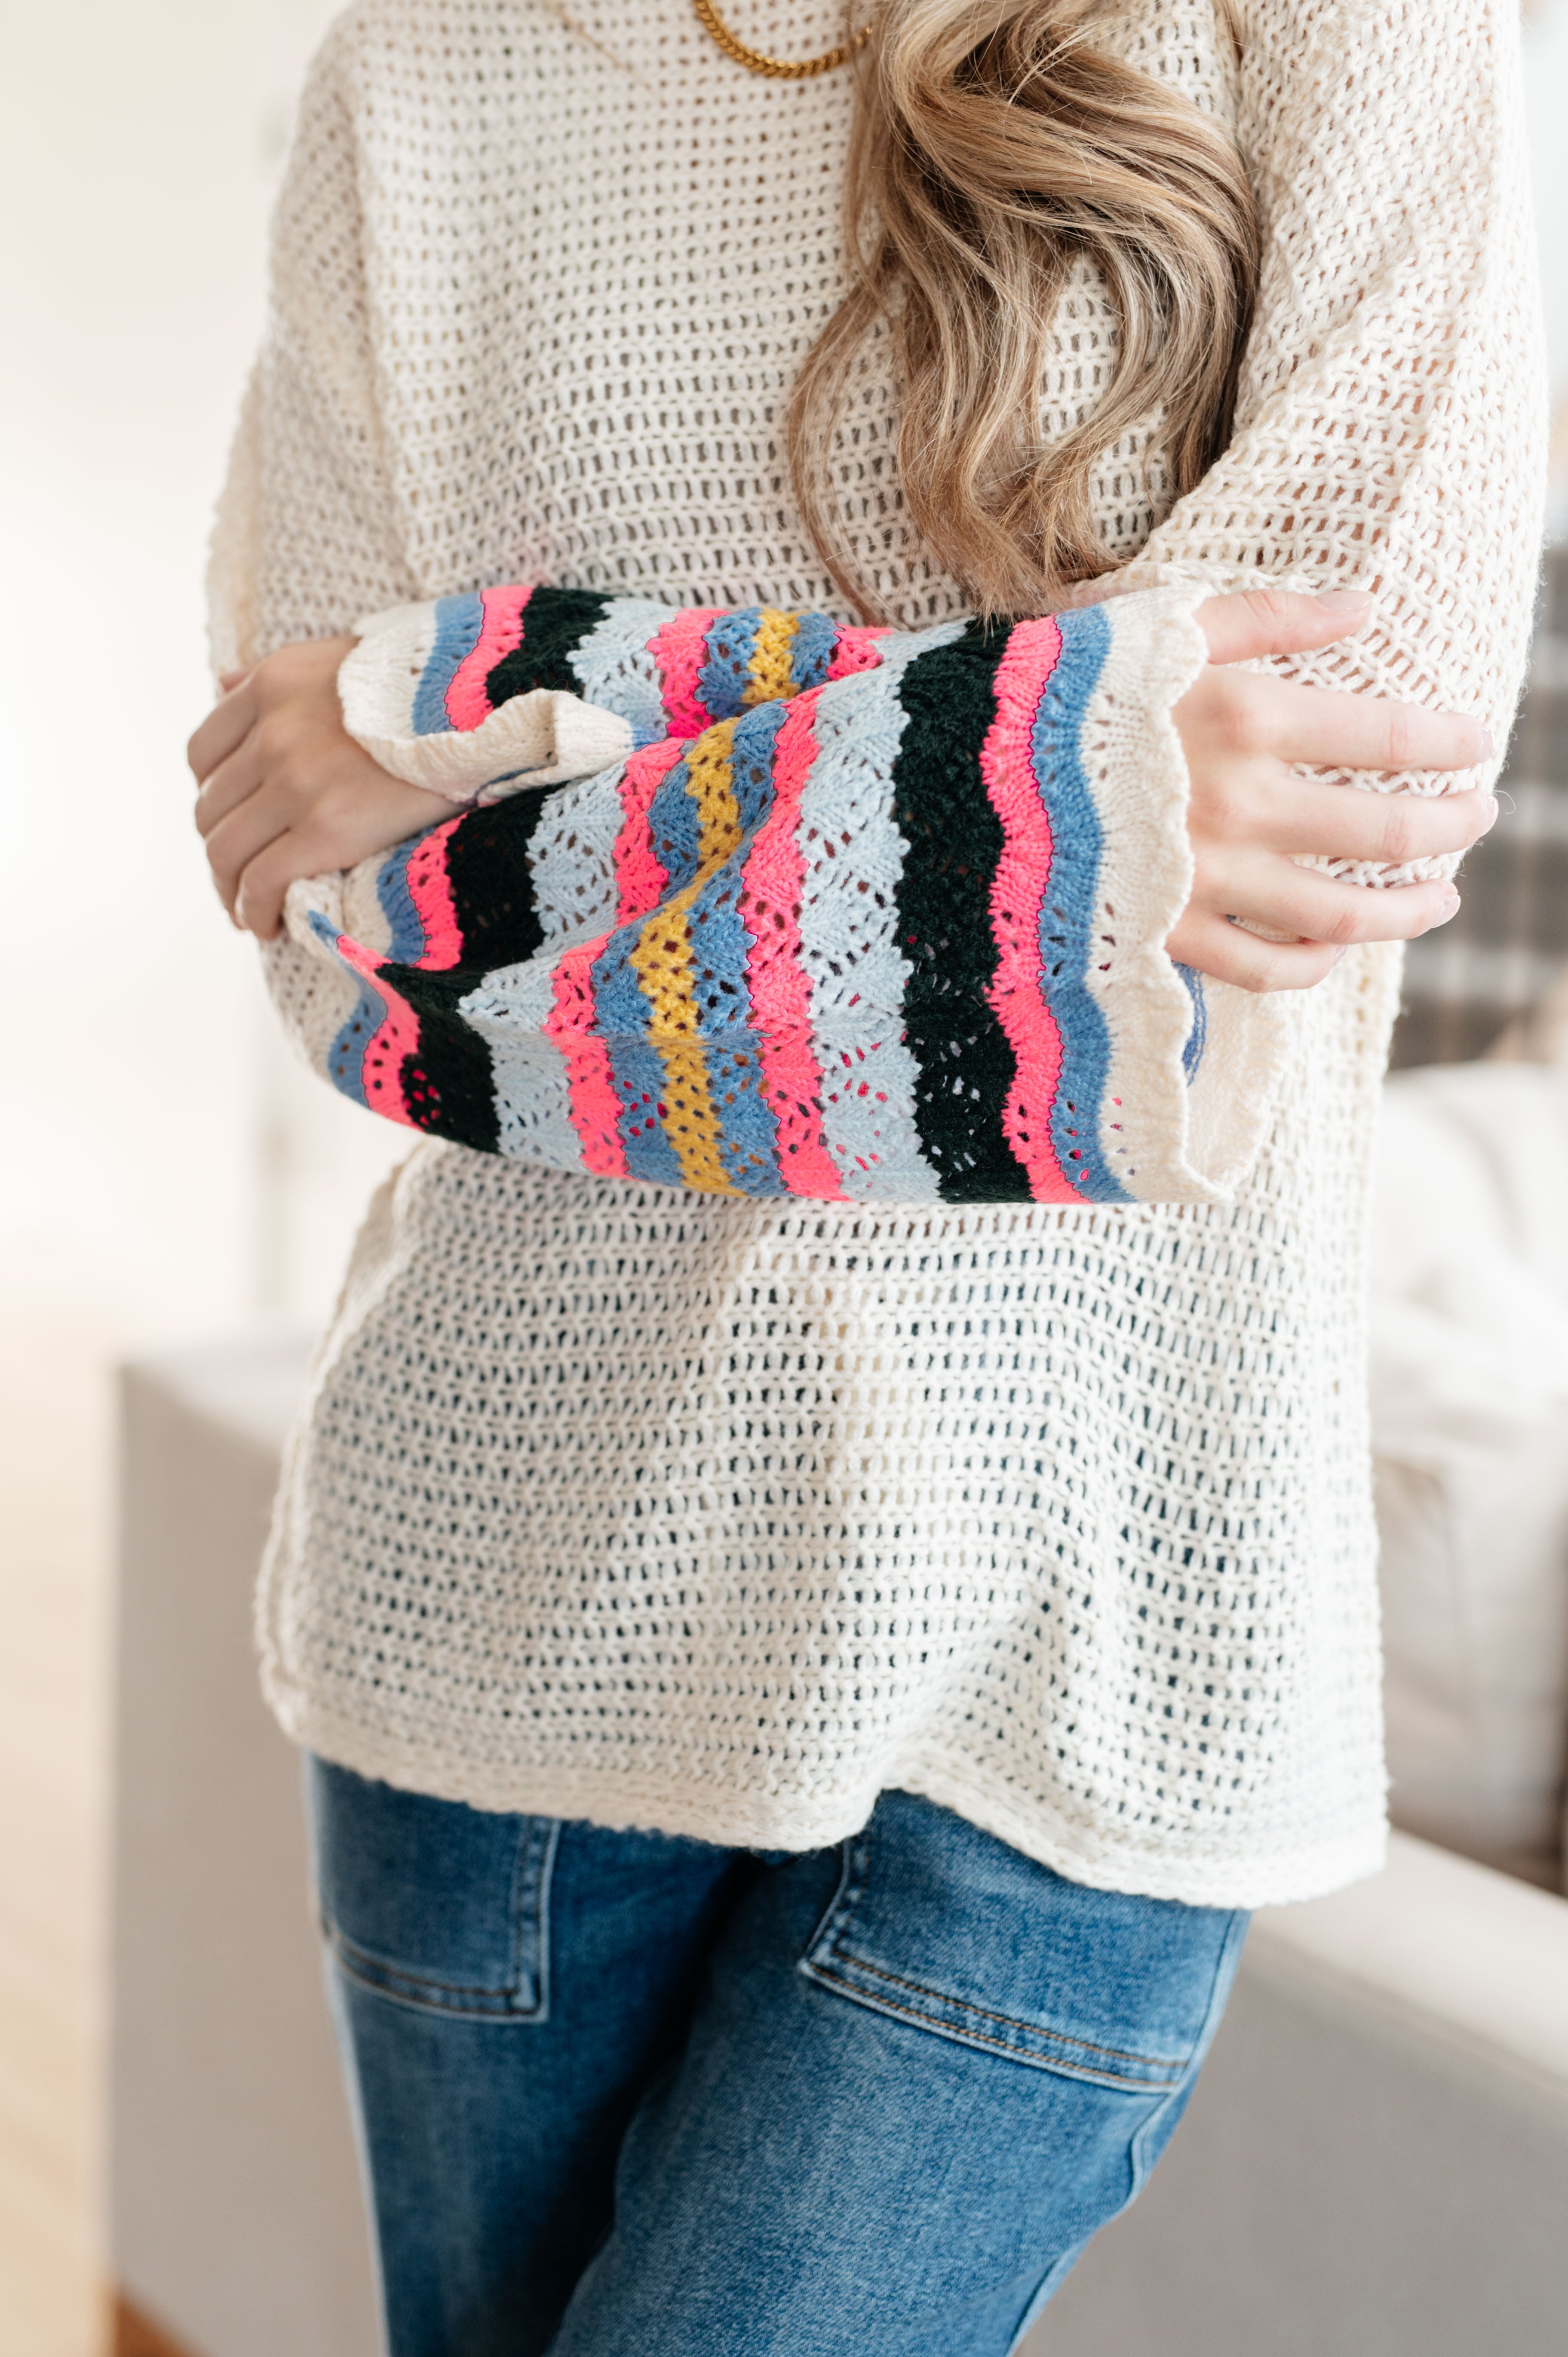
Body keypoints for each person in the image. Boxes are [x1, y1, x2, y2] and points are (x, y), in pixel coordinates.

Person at [184, 3, 1542, 2351]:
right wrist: (1069, 790)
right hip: (502, 1618)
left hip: (1089, 1653)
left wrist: (470, 704)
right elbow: (350, 951)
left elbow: (1339, 801)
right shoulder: (416, 63)